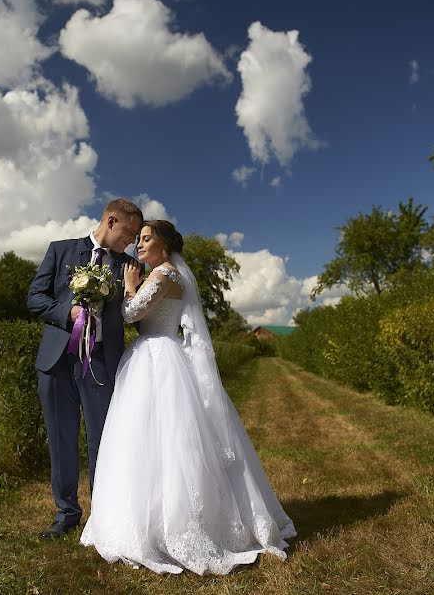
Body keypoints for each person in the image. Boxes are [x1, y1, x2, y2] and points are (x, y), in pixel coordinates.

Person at [81, 220, 296, 574]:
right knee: (150, 440)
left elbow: (133, 313)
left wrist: (129, 287)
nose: (139, 245)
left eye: (146, 239)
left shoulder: (163, 274)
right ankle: (152, 517)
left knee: (165, 439)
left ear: (164, 245)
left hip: (157, 356)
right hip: (157, 353)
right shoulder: (168, 274)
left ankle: (174, 524)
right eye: (138, 240)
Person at [26, 199, 143, 539]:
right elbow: (35, 297)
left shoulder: (130, 266)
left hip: (102, 364)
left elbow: (135, 312)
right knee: (61, 439)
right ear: (110, 220)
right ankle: (66, 513)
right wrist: (69, 313)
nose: (132, 240)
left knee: (103, 441)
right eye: (129, 232)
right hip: (56, 361)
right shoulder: (60, 250)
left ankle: (103, 514)